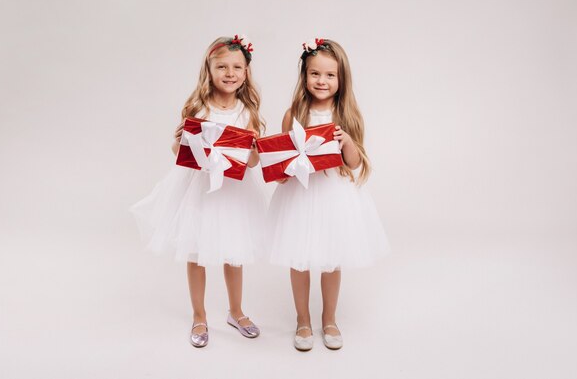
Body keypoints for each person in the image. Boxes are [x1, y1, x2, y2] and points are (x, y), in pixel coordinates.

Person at [131, 35, 266, 348]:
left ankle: (236, 311)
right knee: (197, 254)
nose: (229, 73)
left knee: (234, 254)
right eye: (222, 66)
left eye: (236, 67)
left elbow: (252, 162)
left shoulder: (247, 111)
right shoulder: (198, 107)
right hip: (200, 190)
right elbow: (180, 151)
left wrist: (255, 147)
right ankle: (199, 315)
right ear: (210, 69)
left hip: (233, 192)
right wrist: (179, 138)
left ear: (246, 73)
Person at [268, 38, 390, 351]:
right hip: (301, 196)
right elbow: (283, 164)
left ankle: (330, 318)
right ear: (304, 76)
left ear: (341, 79)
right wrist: (278, 169)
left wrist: (346, 140)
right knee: (299, 259)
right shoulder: (294, 112)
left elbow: (354, 162)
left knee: (332, 261)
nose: (321, 81)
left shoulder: (345, 113)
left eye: (329, 75)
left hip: (335, 196)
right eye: (314, 74)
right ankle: (303, 319)